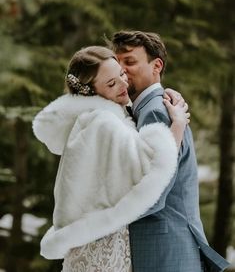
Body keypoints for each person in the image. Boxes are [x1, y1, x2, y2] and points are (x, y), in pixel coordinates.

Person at [33, 46, 190, 272]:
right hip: (102, 244)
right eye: (111, 84)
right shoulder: (103, 122)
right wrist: (178, 124)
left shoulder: (91, 119)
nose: (124, 84)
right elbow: (151, 167)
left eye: (122, 75)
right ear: (90, 91)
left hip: (92, 236)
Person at [110, 31, 230, 272]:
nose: (121, 70)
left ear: (157, 66)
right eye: (117, 63)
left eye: (130, 62)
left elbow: (153, 194)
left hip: (163, 249)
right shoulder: (151, 107)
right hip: (167, 247)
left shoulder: (155, 111)